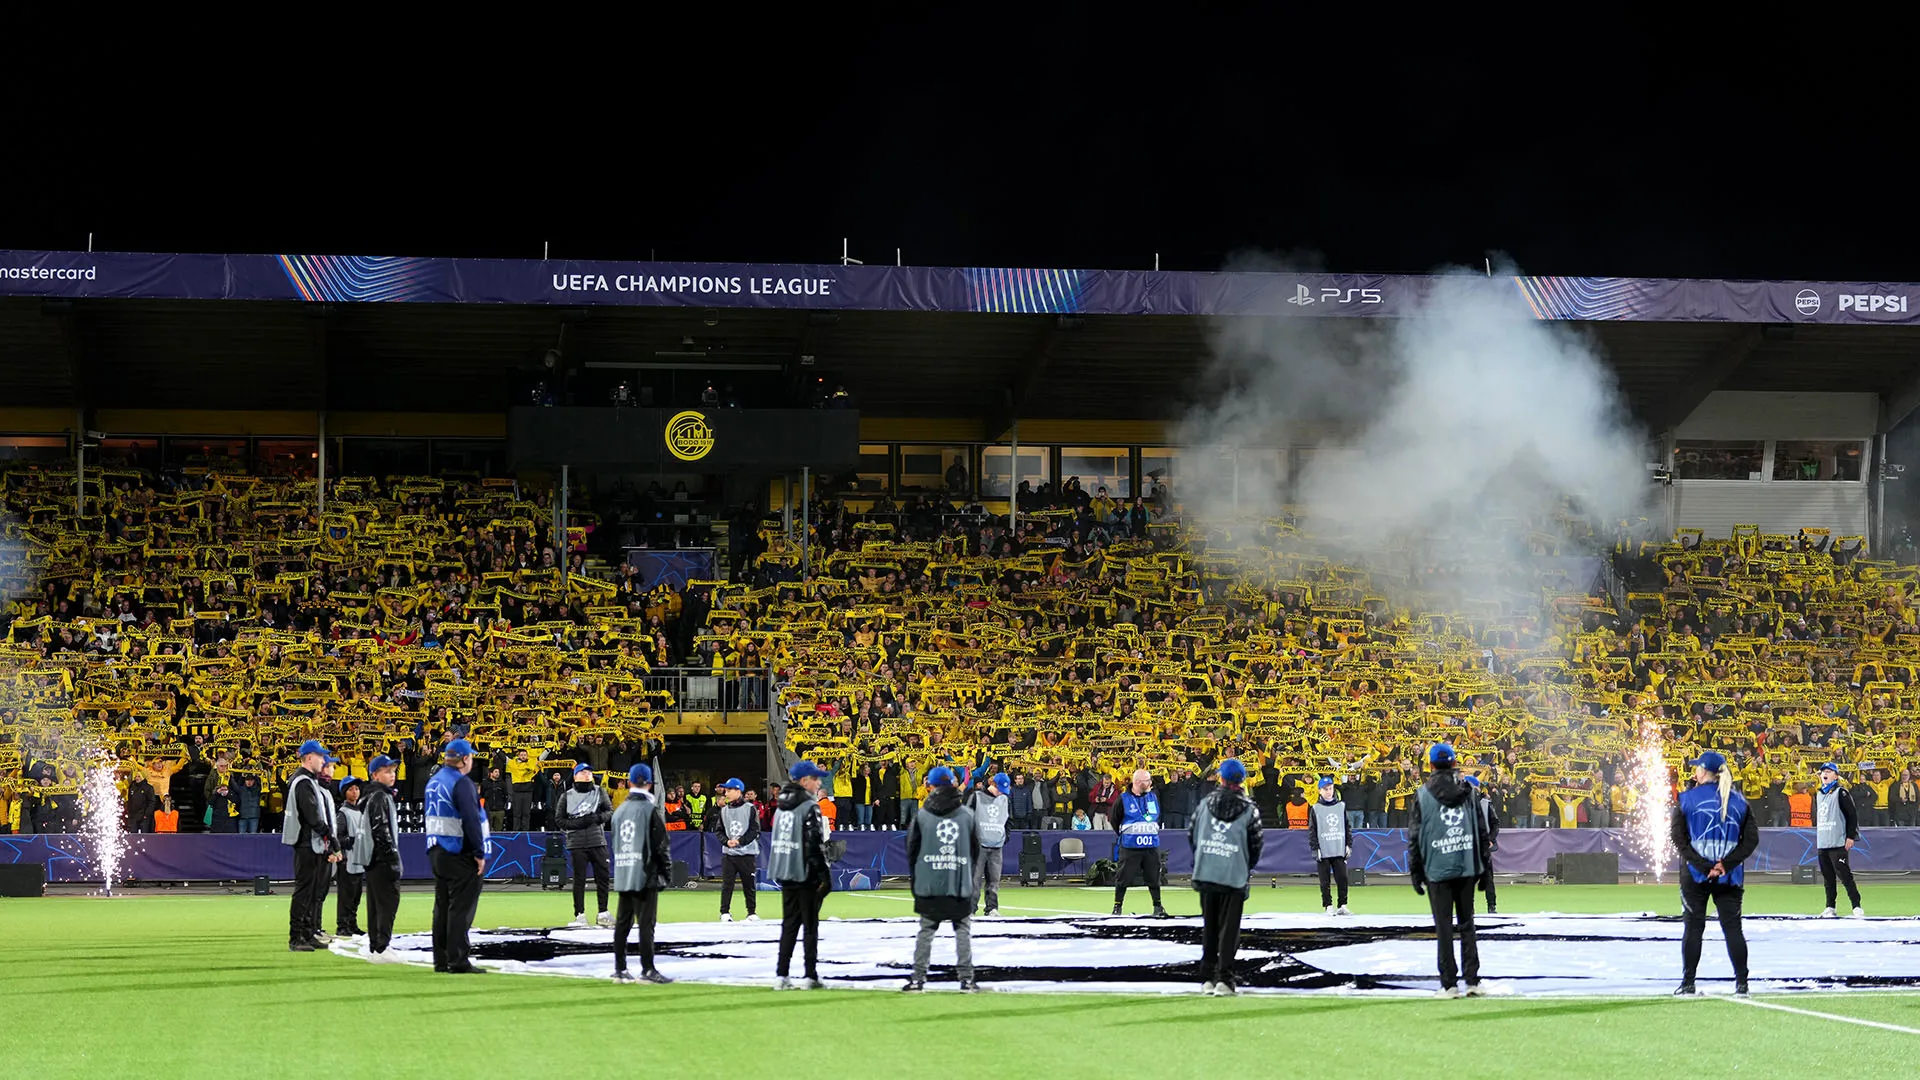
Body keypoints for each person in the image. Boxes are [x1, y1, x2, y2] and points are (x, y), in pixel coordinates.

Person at [1670, 751, 1758, 996]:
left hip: (1694, 874)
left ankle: (1688, 983)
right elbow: (1751, 841)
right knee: (1733, 929)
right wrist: (1725, 865)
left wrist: (1703, 866)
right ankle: (1742, 983)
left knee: (1693, 928)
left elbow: (1678, 838)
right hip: (1730, 877)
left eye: (1697, 767)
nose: (1694, 771)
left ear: (1703, 771)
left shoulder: (1686, 798)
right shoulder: (1740, 801)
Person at [1407, 743, 1487, 998]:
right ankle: (1473, 981)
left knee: (1443, 928)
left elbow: (1415, 836)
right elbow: (1481, 833)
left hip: (1436, 869)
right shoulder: (1469, 793)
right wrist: (1485, 869)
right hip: (1466, 866)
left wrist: (1415, 871)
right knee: (1467, 925)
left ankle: (1449, 985)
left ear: (1430, 765)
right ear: (1454, 764)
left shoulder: (1422, 795)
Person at [1189, 758, 1264, 996]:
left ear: (1220, 778)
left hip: (1207, 871)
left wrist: (1204, 857)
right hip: (1234, 874)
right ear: (1242, 781)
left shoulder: (1205, 803)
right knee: (1229, 930)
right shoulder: (1250, 809)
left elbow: (1192, 834)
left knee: (1210, 926)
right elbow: (1256, 844)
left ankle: (1207, 978)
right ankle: (1225, 980)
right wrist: (1244, 865)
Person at [903, 766, 979, 992]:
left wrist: (917, 880)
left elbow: (911, 851)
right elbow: (975, 852)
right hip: (959, 883)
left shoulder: (922, 815)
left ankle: (917, 979)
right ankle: (967, 980)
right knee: (963, 930)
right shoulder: (967, 815)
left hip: (929, 884)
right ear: (953, 784)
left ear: (931, 786)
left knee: (926, 931)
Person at [425, 738, 489, 974]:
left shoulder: (434, 781)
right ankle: (458, 960)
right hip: (458, 851)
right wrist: (479, 852)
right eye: (470, 757)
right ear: (463, 759)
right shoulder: (461, 783)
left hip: (437, 850)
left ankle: (441, 960)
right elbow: (471, 819)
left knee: (442, 907)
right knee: (461, 908)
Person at [770, 760, 832, 990]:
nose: (819, 783)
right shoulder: (809, 806)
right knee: (810, 926)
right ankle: (810, 975)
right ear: (805, 780)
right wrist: (824, 875)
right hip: (805, 872)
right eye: (815, 779)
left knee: (789, 924)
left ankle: (782, 975)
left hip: (786, 870)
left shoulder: (781, 806)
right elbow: (813, 843)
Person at [610, 763, 674, 984]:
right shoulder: (650, 810)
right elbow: (661, 845)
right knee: (646, 925)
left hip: (624, 871)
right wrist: (666, 873)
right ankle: (648, 970)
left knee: (622, 923)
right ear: (649, 783)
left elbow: (615, 843)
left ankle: (620, 969)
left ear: (629, 782)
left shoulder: (619, 811)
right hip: (645, 874)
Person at [281, 739, 341, 953]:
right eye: (320, 756)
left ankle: (307, 933)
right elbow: (313, 816)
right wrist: (332, 839)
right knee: (304, 891)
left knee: (310, 891)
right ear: (309, 758)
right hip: (307, 844)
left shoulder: (307, 781)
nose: (323, 760)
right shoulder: (303, 782)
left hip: (311, 843)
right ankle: (296, 936)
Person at [559, 761, 614, 927]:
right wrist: (579, 823)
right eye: (583, 772)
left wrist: (598, 818)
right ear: (575, 776)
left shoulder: (600, 791)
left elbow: (609, 811)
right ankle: (580, 915)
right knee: (579, 880)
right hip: (577, 842)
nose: (587, 774)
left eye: (589, 772)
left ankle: (603, 913)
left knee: (603, 877)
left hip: (597, 840)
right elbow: (560, 820)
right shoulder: (566, 796)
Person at [361, 755, 404, 959]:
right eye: (387, 771)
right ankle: (382, 947)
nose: (392, 775)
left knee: (376, 904)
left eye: (393, 771)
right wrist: (392, 858)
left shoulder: (372, 795)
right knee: (387, 903)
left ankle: (376, 946)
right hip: (381, 859)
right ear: (375, 775)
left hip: (373, 859)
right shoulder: (379, 796)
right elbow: (381, 829)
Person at [1111, 768, 1169, 917]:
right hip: (1130, 846)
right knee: (1123, 877)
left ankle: (1158, 906)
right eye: (1147, 781)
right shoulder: (1123, 799)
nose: (1150, 783)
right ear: (1137, 782)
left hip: (1151, 846)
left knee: (1154, 878)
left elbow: (1157, 817)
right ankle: (1117, 906)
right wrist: (1125, 835)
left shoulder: (1153, 797)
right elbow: (1114, 819)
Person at [1814, 762, 1864, 917]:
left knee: (1845, 875)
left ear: (1836, 776)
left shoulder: (1841, 792)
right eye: (1823, 771)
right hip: (1823, 841)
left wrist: (1850, 836)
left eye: (1829, 771)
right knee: (1828, 877)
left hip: (1837, 841)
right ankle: (1830, 907)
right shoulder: (1819, 794)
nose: (1825, 774)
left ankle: (1856, 906)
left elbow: (1852, 815)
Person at [713, 778, 761, 923]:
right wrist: (726, 842)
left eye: (729, 790)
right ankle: (724, 912)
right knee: (727, 884)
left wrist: (740, 841)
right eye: (726, 790)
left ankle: (751, 912)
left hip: (747, 853)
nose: (726, 793)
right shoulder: (724, 810)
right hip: (729, 854)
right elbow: (719, 831)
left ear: (738, 791)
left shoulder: (750, 808)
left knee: (749, 885)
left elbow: (755, 830)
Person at [1307, 776, 1352, 916]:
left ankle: (1342, 905)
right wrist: (1315, 849)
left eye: (1331, 788)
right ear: (1320, 791)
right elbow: (1312, 831)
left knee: (1342, 878)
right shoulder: (1315, 808)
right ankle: (1328, 905)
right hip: (1324, 850)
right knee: (1324, 881)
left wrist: (1348, 844)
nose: (1328, 791)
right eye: (1325, 789)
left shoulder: (1341, 806)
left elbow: (1347, 827)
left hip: (1338, 848)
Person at [969, 772, 1010, 917]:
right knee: (974, 879)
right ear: (992, 784)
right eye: (999, 789)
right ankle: (970, 909)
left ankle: (992, 908)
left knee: (994, 880)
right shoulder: (976, 797)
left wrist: (1005, 837)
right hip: (979, 845)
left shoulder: (1005, 800)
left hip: (997, 846)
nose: (1001, 793)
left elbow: (1008, 820)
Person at [334, 776, 367, 938]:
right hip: (347, 860)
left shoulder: (360, 811)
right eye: (351, 789)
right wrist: (352, 840)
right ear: (344, 793)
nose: (355, 792)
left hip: (358, 860)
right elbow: (337, 838)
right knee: (346, 896)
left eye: (357, 789)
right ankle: (342, 925)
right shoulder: (343, 813)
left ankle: (352, 924)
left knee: (355, 896)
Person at [1465, 775, 1502, 915]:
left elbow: (1495, 823)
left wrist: (1491, 839)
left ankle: (1491, 906)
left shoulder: (1486, 803)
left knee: (1487, 879)